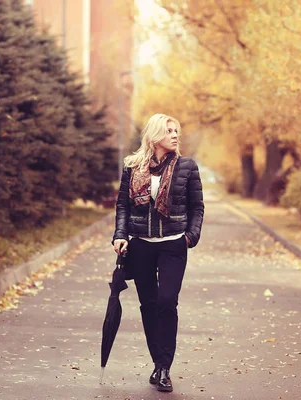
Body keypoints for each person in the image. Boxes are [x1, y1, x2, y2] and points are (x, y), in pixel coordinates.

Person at [112, 113, 204, 393]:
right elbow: (123, 207)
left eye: (176, 130)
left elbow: (197, 207)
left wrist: (190, 237)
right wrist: (120, 236)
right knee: (149, 305)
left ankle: (165, 367)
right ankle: (159, 364)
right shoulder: (133, 167)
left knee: (167, 302)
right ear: (154, 137)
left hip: (173, 244)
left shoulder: (186, 167)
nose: (175, 135)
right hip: (141, 245)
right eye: (169, 131)